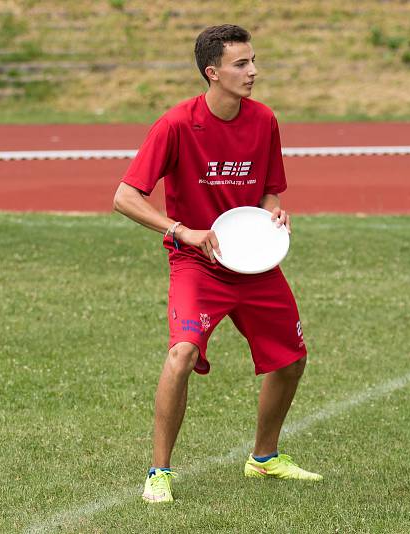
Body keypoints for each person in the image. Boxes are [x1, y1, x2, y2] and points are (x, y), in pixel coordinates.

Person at [114, 24, 322, 504]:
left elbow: (271, 188)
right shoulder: (176, 124)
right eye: (241, 64)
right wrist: (180, 230)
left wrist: (272, 212)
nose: (253, 71)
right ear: (213, 73)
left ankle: (264, 459)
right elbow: (125, 197)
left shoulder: (264, 120)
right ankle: (158, 472)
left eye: (253, 61)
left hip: (254, 263)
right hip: (197, 263)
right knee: (181, 353)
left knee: (292, 360)